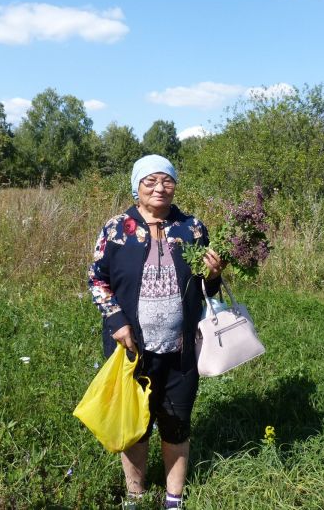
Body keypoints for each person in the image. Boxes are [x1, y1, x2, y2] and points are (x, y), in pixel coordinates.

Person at [88, 154, 224, 509]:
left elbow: (207, 289)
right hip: (131, 348)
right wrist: (116, 321)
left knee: (176, 421)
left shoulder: (192, 227)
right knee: (135, 422)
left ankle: (173, 498)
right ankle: (134, 496)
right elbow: (97, 279)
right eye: (150, 181)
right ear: (136, 187)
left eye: (166, 180)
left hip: (180, 349)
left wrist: (213, 274)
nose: (159, 187)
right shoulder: (116, 228)